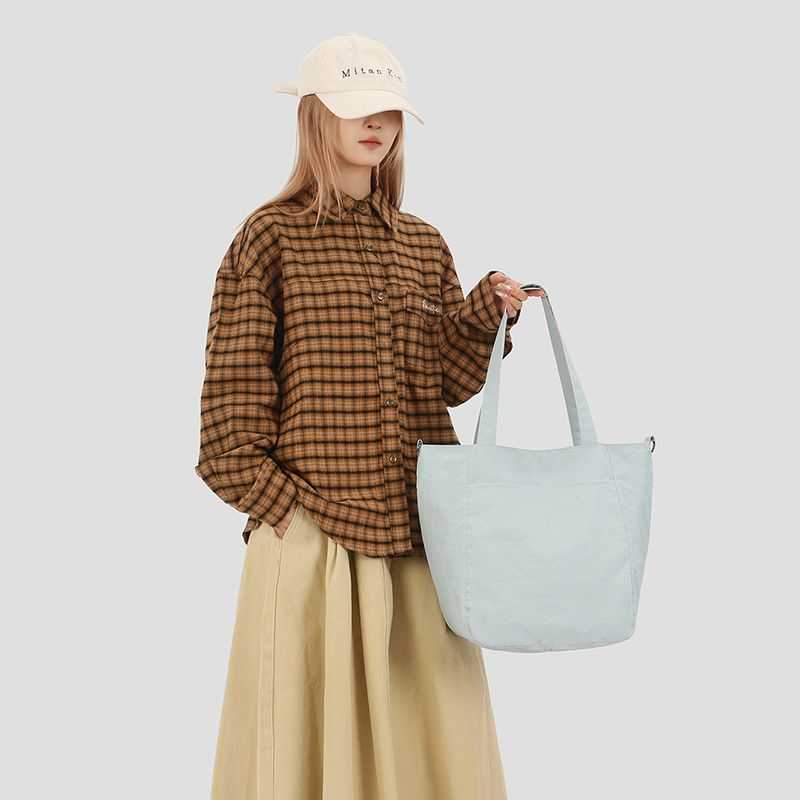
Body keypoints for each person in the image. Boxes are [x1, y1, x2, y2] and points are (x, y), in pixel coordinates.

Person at [194, 32, 542, 800]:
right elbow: (227, 414)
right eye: (357, 107)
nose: (376, 123)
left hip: (420, 539)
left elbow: (445, 384)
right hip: (313, 539)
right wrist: (286, 513)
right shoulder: (269, 238)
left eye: (388, 109)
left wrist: (486, 315)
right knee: (305, 757)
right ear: (315, 114)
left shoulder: (423, 244)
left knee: (433, 752)